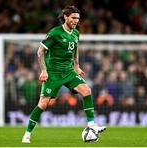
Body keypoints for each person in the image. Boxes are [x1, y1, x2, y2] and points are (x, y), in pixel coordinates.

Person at [22, 5, 106, 143]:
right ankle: (27, 134)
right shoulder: (55, 33)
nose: (75, 21)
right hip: (53, 74)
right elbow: (40, 52)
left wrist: (77, 66)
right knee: (43, 104)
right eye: (73, 18)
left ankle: (91, 126)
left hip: (68, 71)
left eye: (77, 19)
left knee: (86, 90)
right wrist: (44, 70)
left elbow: (75, 48)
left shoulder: (76, 33)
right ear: (65, 17)